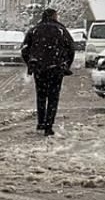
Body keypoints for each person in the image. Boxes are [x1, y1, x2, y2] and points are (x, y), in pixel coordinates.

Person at [21, 8, 76, 136]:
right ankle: (48, 126)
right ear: (54, 16)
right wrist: (66, 65)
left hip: (39, 68)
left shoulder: (34, 30)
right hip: (56, 68)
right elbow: (71, 49)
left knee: (41, 96)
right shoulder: (61, 30)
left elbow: (24, 49)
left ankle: (41, 122)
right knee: (53, 97)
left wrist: (31, 63)